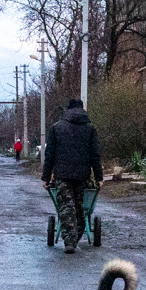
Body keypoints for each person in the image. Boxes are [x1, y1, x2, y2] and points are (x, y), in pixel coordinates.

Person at [42, 98, 102, 253]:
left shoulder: (56, 128)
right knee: (81, 209)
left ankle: (69, 241)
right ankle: (75, 238)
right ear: (82, 111)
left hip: (62, 175)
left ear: (67, 111)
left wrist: (46, 178)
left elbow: (50, 155)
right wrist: (99, 178)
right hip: (83, 176)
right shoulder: (90, 129)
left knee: (66, 208)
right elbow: (95, 155)